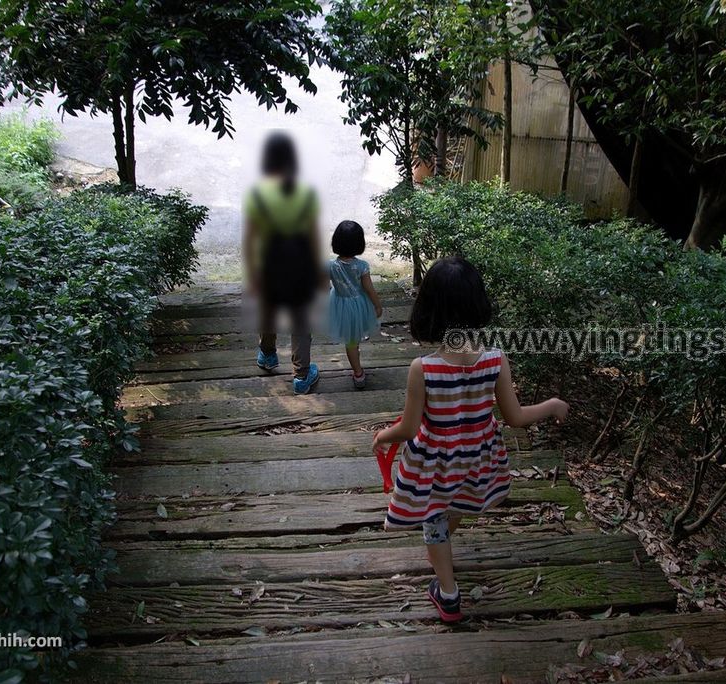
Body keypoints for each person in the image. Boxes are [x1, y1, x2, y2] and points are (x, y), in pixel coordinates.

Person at [372, 256, 569, 623]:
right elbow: (515, 417)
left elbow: (410, 428)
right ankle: (441, 546)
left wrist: (382, 436)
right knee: (458, 504)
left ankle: (448, 593)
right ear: (478, 302)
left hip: (434, 463)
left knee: (433, 519)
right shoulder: (495, 360)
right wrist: (552, 404)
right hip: (476, 458)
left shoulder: (424, 369)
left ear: (428, 306)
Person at [242, 132, 321, 394]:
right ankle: (301, 376)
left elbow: (251, 238)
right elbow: (313, 237)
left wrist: (252, 273)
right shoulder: (305, 193)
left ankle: (267, 355)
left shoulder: (258, 194)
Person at [326, 220, 383, 389]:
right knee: (354, 338)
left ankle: (358, 372)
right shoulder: (362, 266)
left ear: (335, 242)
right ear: (360, 244)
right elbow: (369, 288)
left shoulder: (329, 266)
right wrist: (377, 305)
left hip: (340, 305)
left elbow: (322, 286)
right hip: (359, 305)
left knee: (350, 340)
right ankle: (358, 371)